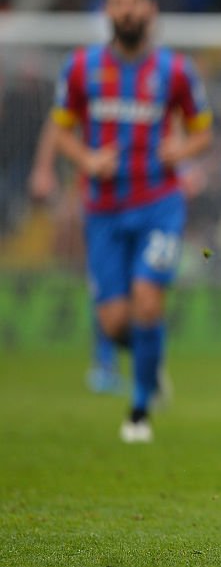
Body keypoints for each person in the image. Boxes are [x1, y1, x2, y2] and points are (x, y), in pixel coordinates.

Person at [50, 0, 213, 443]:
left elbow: (202, 133)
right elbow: (61, 131)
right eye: (117, 2)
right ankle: (151, 359)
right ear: (108, 10)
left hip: (159, 203)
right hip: (101, 209)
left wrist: (179, 150)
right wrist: (86, 158)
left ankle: (139, 411)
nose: (126, 10)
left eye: (134, 1)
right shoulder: (81, 68)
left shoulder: (175, 70)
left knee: (146, 301)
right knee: (115, 320)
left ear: (151, 8)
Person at [29, 120, 126, 394]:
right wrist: (44, 169)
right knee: (105, 282)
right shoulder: (89, 80)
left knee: (133, 284)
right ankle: (104, 364)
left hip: (143, 199)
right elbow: (57, 125)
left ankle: (135, 359)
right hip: (98, 198)